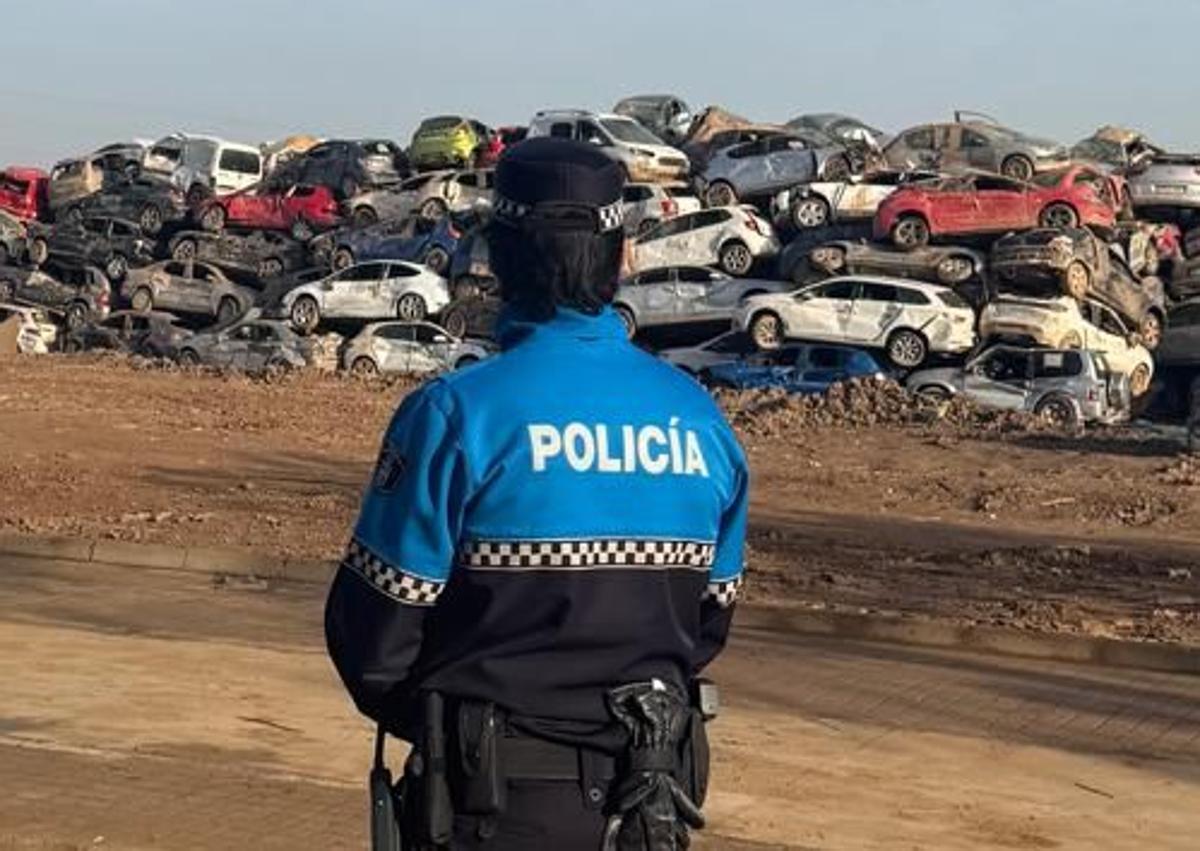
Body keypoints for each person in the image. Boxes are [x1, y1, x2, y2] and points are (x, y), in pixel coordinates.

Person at [325, 138, 749, 850]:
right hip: (650, 807)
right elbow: (707, 625)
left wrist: (452, 722)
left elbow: (374, 639)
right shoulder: (702, 423)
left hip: (494, 807)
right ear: (622, 256)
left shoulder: (456, 416)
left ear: (497, 254)